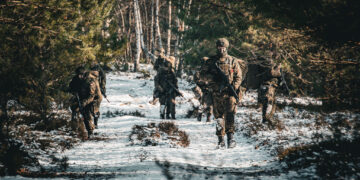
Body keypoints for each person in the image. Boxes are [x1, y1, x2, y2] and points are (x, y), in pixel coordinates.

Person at [200, 38, 243, 148]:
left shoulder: (233, 61)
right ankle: (221, 140)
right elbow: (202, 75)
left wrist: (233, 87)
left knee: (230, 116)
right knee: (219, 118)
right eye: (219, 48)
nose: (221, 50)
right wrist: (213, 78)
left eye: (223, 48)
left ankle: (231, 139)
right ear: (217, 47)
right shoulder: (211, 62)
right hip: (216, 94)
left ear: (226, 48)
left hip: (229, 93)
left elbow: (238, 77)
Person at [257, 58, 281, 128]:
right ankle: (267, 120)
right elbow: (272, 73)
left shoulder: (261, 60)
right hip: (268, 87)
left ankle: (265, 121)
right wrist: (278, 68)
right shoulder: (269, 62)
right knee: (268, 104)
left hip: (265, 86)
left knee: (266, 104)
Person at [78, 70, 102, 138]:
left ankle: (91, 131)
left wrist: (84, 103)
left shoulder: (90, 81)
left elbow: (92, 95)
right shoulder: (83, 80)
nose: (79, 76)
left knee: (88, 113)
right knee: (86, 115)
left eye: (80, 75)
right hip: (87, 99)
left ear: (84, 74)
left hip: (95, 99)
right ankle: (90, 130)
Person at [69, 66, 87, 139]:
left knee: (84, 114)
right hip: (76, 99)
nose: (80, 75)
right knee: (74, 114)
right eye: (79, 74)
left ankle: (83, 130)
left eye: (81, 74)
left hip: (83, 100)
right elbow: (70, 88)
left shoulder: (85, 80)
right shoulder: (75, 79)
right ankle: (75, 129)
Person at [194, 57, 213, 122]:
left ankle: (208, 117)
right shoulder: (199, 71)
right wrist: (203, 83)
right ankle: (199, 115)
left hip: (209, 89)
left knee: (210, 104)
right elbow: (196, 80)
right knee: (202, 104)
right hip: (201, 89)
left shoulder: (211, 70)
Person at [90, 64, 106, 128]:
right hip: (90, 91)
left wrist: (102, 89)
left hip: (97, 92)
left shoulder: (101, 73)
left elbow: (103, 82)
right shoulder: (88, 73)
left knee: (96, 108)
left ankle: (95, 122)